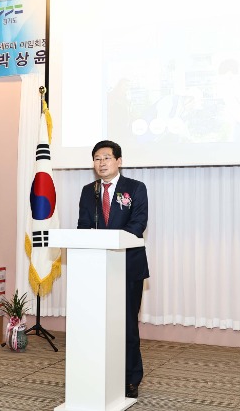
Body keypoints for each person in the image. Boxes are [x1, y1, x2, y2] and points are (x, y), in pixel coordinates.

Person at [77, 140, 149, 399]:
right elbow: (83, 226)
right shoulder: (89, 191)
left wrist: (110, 243)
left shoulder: (136, 188)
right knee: (98, 324)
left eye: (106, 157)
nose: (102, 162)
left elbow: (138, 223)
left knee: (127, 325)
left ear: (119, 160)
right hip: (96, 268)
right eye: (97, 158)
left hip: (127, 266)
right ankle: (100, 373)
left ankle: (131, 378)